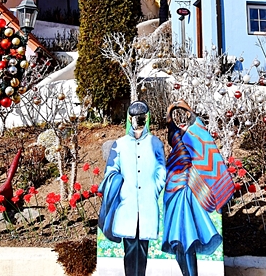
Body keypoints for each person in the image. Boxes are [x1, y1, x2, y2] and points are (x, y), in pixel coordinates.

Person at [162, 100, 235, 276]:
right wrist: (172, 109)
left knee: (187, 239)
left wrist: (181, 108)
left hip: (187, 192)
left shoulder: (194, 134)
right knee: (179, 242)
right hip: (174, 190)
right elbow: (170, 125)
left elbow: (195, 123)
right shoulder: (181, 136)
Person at [98, 102, 166, 276]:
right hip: (126, 206)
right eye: (135, 116)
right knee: (129, 249)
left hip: (147, 205)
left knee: (143, 250)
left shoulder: (155, 143)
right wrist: (120, 188)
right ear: (129, 118)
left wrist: (154, 189)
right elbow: (111, 171)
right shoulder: (119, 144)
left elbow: (161, 170)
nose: (138, 119)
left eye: (142, 116)